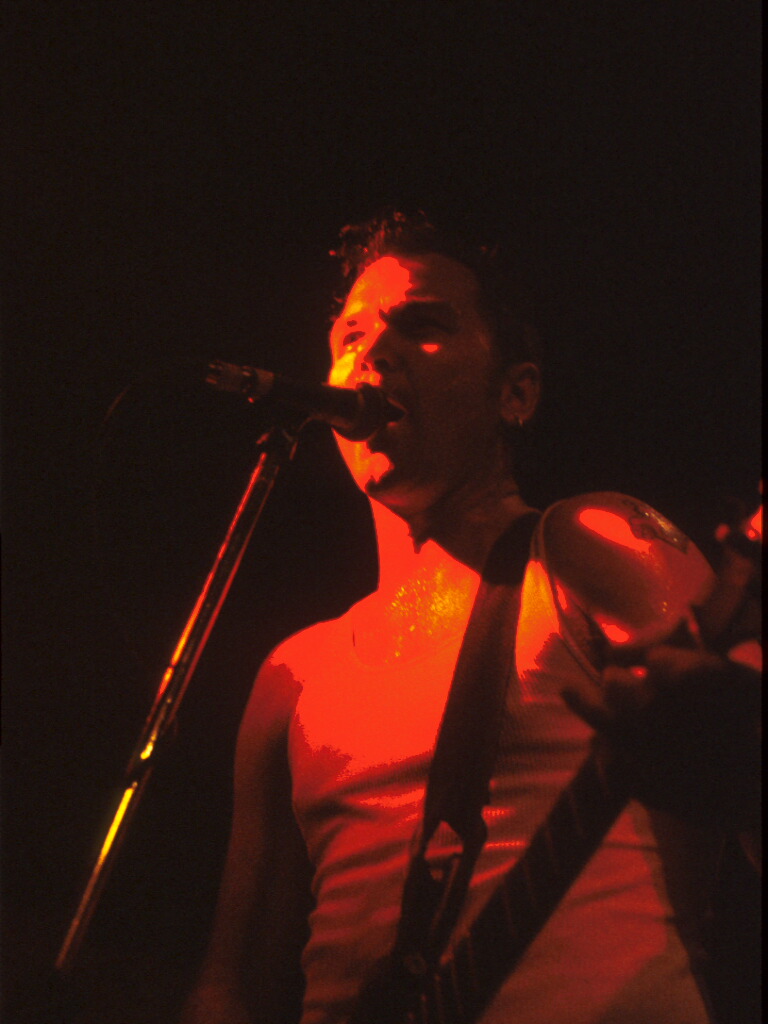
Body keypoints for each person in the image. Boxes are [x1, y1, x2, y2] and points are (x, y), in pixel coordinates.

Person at [182, 211, 759, 1024]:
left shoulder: (588, 545)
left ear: (515, 393)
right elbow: (232, 989)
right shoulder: (293, 675)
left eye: (422, 326)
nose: (372, 354)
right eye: (351, 336)